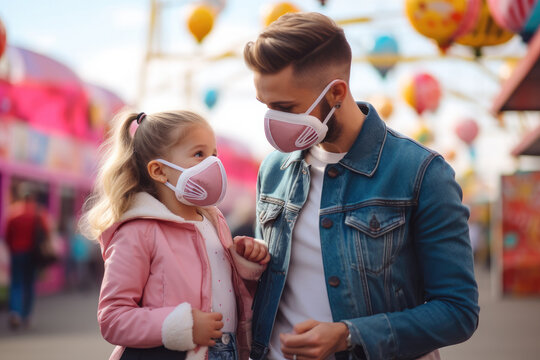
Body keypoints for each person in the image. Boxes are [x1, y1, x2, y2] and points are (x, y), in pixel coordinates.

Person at [243, 12, 479, 360]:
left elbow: (458, 311)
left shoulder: (422, 173)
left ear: (336, 92)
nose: (273, 121)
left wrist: (348, 335)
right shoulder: (275, 170)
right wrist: (246, 261)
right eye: (266, 106)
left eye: (285, 108)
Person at [80, 110, 270, 360]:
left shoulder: (215, 220)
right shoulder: (138, 230)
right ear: (159, 171)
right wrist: (181, 326)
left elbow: (219, 287)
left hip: (227, 350)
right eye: (199, 154)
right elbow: (113, 318)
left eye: (214, 154)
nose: (213, 164)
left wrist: (245, 262)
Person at [5, 183, 49, 330]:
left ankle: (15, 313)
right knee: (29, 285)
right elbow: (46, 233)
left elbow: (7, 236)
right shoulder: (38, 213)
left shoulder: (13, 212)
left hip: (16, 252)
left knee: (16, 284)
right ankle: (27, 316)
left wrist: (12, 249)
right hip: (32, 254)